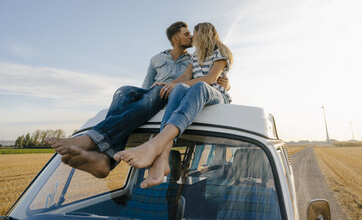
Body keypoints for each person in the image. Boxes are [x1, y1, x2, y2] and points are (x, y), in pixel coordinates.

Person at [46, 21, 229, 178]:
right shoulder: (158, 58)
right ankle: (103, 158)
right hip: (155, 93)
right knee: (124, 91)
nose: (191, 37)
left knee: (158, 93)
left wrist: (224, 86)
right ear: (176, 38)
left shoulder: (195, 56)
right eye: (187, 34)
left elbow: (207, 79)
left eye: (192, 34)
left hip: (172, 96)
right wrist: (159, 87)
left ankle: (92, 140)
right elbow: (147, 86)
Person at [114, 22, 233, 188]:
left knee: (199, 86)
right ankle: (163, 159)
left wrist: (179, 85)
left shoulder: (220, 52)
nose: (192, 37)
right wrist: (167, 84)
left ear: (203, 34)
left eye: (195, 34)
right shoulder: (195, 55)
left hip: (216, 95)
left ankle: (155, 144)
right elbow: (185, 77)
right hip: (196, 95)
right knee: (178, 90)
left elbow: (211, 79)